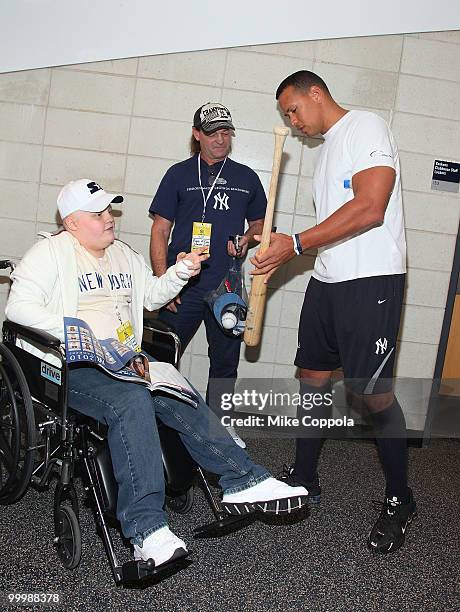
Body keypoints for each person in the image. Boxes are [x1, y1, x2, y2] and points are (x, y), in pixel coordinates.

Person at [5, 178, 308, 568]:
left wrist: (180, 272)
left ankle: (243, 480)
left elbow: (150, 295)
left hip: (124, 361)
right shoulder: (49, 254)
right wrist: (77, 331)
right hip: (72, 367)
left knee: (175, 389)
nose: (109, 218)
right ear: (73, 222)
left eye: (109, 210)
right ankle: (146, 530)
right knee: (132, 400)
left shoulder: (121, 253)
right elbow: (18, 309)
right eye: (98, 213)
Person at [250, 71, 416, 554]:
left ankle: (399, 497)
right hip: (327, 279)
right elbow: (334, 224)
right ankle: (305, 478)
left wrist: (295, 243)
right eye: (287, 117)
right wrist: (294, 247)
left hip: (370, 280)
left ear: (315, 94)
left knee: (372, 394)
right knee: (312, 380)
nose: (293, 122)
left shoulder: (366, 127)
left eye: (293, 110)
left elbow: (371, 208)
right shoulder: (325, 152)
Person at [149, 103, 267, 448]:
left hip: (225, 286)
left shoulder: (247, 178)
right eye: (213, 132)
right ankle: (155, 423)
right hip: (183, 284)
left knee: (226, 362)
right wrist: (163, 283)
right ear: (197, 134)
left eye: (227, 132)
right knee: (162, 357)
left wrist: (247, 239)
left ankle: (219, 428)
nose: (221, 139)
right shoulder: (178, 174)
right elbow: (160, 231)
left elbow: (259, 225)